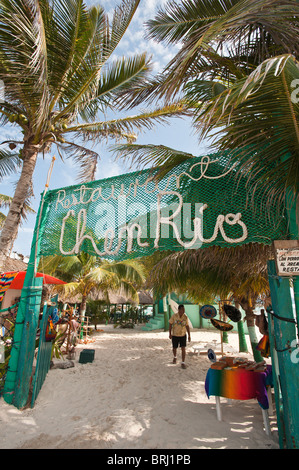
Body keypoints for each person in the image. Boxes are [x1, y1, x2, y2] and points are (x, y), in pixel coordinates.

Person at [169, 304, 191, 369]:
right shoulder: (174, 316)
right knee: (174, 348)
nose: (183, 311)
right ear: (179, 310)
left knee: (183, 348)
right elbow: (170, 324)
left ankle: (183, 362)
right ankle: (175, 357)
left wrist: (189, 335)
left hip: (183, 335)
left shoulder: (185, 317)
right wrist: (170, 333)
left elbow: (187, 326)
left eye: (184, 309)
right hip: (175, 335)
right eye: (182, 309)